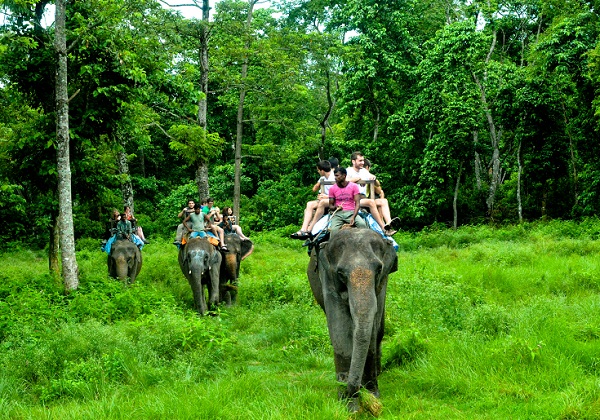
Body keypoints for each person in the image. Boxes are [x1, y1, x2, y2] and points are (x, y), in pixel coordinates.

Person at [346, 151, 397, 236]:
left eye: (363, 160)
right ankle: (383, 227)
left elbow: (378, 185)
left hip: (363, 198)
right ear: (353, 161)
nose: (362, 162)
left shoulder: (364, 171)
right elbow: (345, 181)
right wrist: (358, 179)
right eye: (360, 161)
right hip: (352, 199)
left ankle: (389, 223)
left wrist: (374, 179)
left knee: (383, 201)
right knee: (371, 202)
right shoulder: (348, 170)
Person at [291, 160, 335, 239]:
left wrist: (326, 196)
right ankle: (303, 229)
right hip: (323, 199)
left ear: (322, 170)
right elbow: (314, 189)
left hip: (333, 199)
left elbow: (341, 192)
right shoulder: (323, 178)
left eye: (318, 170)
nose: (318, 172)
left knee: (322, 203)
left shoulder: (335, 176)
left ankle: (310, 228)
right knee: (309, 204)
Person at [327, 167, 367, 234]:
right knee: (333, 230)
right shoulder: (332, 188)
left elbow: (357, 203)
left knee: (362, 224)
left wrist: (354, 217)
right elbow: (330, 205)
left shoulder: (354, 186)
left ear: (344, 176)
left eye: (337, 175)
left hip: (351, 212)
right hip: (338, 214)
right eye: (335, 176)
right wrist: (336, 207)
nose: (335, 178)